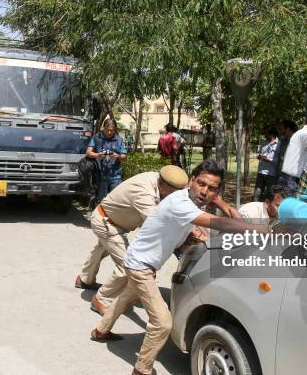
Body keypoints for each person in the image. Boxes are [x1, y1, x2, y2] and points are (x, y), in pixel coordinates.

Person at [90, 160, 269, 375]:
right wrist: (260, 230)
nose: (204, 191)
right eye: (201, 184)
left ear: (217, 192)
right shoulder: (181, 203)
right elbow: (217, 222)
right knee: (163, 323)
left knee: (126, 298)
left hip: (143, 261)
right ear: (191, 182)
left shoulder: (190, 204)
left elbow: (181, 235)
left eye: (211, 188)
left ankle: (100, 331)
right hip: (140, 265)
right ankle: (142, 369)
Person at [77, 165, 189, 315]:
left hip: (114, 219)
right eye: (173, 193)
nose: (174, 197)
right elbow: (157, 226)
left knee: (101, 249)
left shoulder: (158, 178)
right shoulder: (144, 193)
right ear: (163, 184)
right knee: (127, 266)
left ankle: (84, 278)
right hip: (107, 223)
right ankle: (102, 300)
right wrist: (180, 243)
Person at [86, 118, 127, 204]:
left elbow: (124, 156)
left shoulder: (119, 139)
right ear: (103, 128)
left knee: (116, 201)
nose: (109, 132)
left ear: (114, 129)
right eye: (107, 130)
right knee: (101, 201)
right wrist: (98, 155)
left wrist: (118, 156)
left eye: (111, 130)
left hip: (115, 176)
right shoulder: (96, 138)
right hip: (100, 175)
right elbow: (88, 153)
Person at [254, 126, 280, 201]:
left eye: (266, 133)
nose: (264, 135)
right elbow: (259, 154)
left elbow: (279, 159)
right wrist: (259, 156)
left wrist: (270, 160)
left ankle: (269, 211)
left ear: (271, 134)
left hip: (271, 174)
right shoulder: (264, 143)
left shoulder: (279, 144)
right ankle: (256, 210)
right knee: (257, 194)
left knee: (270, 195)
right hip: (261, 172)